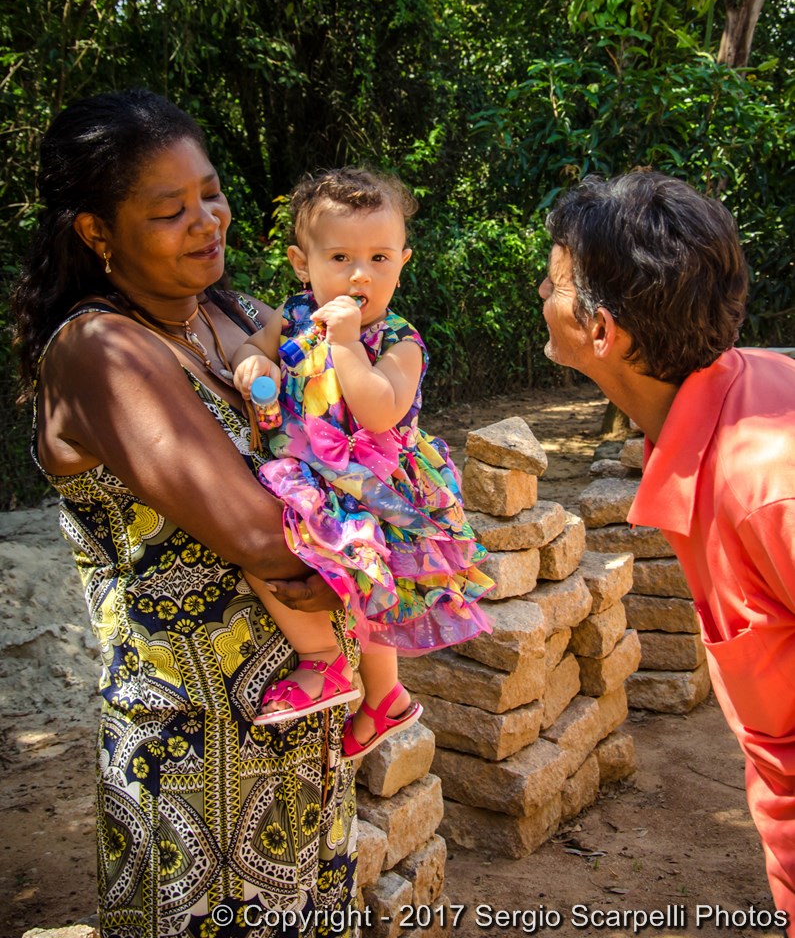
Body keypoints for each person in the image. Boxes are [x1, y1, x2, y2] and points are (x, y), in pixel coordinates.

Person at [11, 89, 359, 938]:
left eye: (211, 192)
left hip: (303, 714)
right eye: (170, 211)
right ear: (96, 232)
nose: (207, 221)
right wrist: (365, 560)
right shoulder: (101, 350)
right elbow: (263, 536)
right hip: (194, 744)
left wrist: (351, 547)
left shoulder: (235, 316)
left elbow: (360, 442)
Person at [540, 169, 794, 934]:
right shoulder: (751, 394)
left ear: (600, 332)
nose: (540, 294)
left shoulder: (768, 486)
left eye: (553, 281)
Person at [232, 167, 494, 758]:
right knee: (271, 547)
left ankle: (324, 661)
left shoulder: (400, 341)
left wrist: (347, 344)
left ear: (403, 262)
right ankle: (386, 698)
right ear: (302, 264)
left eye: (379, 258)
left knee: (369, 591)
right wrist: (255, 362)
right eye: (340, 257)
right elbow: (255, 346)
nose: (360, 275)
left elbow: (379, 412)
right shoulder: (293, 315)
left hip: (375, 486)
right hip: (310, 473)